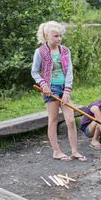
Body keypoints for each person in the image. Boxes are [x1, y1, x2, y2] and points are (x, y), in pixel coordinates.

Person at [31, 21, 87, 162]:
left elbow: (69, 72)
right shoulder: (40, 52)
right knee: (53, 120)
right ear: (46, 36)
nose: (59, 39)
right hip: (50, 89)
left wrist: (67, 90)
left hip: (64, 89)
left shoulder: (65, 51)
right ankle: (56, 151)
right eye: (56, 36)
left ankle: (74, 151)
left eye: (60, 36)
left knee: (70, 120)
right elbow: (35, 72)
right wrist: (43, 85)